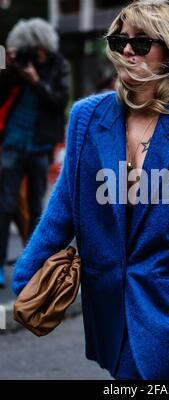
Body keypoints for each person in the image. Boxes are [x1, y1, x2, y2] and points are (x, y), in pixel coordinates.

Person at [12, 1, 169, 380]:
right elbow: (64, 206)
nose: (128, 51)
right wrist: (26, 278)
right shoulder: (87, 117)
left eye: (141, 42)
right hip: (111, 310)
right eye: (119, 42)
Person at [0, 18, 70, 288]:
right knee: (4, 206)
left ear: (43, 44)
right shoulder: (14, 66)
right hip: (12, 142)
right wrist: (8, 65)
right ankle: (2, 263)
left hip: (40, 145)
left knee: (35, 206)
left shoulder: (58, 65)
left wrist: (37, 81)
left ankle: (30, 263)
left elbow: (59, 102)